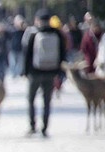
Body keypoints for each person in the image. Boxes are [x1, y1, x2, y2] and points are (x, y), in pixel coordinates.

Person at [24, 9, 67, 137]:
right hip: (51, 72)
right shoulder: (58, 34)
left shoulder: (33, 34)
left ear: (37, 20)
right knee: (47, 101)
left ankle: (32, 126)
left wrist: (26, 72)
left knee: (31, 99)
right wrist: (59, 72)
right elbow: (62, 54)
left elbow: (28, 55)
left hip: (35, 72)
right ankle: (45, 128)